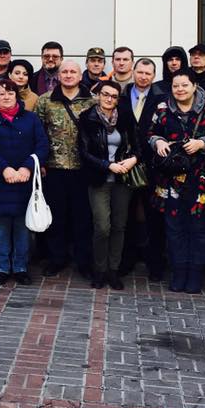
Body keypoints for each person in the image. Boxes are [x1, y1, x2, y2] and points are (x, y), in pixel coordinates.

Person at [148, 69, 205, 293]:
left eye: (184, 85)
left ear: (194, 86)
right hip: (170, 179)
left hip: (201, 178)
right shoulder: (162, 107)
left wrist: (203, 143)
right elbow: (150, 132)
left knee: (200, 229)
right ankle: (179, 273)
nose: (179, 89)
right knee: (174, 227)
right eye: (175, 86)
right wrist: (158, 142)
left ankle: (195, 274)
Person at [0, 79, 48, 286]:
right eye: (2, 93)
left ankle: (20, 267)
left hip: (25, 180)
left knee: (23, 226)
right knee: (1, 225)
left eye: (10, 93)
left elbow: (42, 146)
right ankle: (1, 268)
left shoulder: (31, 119)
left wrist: (27, 168)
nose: (6, 97)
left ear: (17, 95)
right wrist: (4, 169)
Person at [34, 59, 95, 277]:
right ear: (59, 76)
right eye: (65, 72)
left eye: (73, 72)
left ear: (80, 75)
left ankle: (83, 261)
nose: (68, 75)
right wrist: (41, 162)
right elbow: (38, 134)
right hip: (54, 168)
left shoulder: (92, 100)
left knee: (83, 218)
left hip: (83, 168)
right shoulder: (45, 100)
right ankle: (56, 258)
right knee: (56, 217)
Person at [79, 80, 140, 289]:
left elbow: (137, 145)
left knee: (119, 226)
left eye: (114, 96)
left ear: (118, 99)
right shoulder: (87, 118)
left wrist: (132, 160)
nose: (109, 99)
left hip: (123, 179)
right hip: (99, 179)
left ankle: (113, 270)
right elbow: (83, 151)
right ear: (98, 95)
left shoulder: (125, 117)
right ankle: (99, 269)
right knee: (102, 227)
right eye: (105, 94)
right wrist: (107, 165)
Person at [123, 58, 166, 281]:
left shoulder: (162, 98)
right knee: (126, 215)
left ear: (154, 75)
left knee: (153, 217)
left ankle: (155, 264)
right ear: (133, 72)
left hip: (152, 166)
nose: (143, 76)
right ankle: (126, 261)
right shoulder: (121, 95)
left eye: (148, 73)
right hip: (125, 165)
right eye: (140, 72)